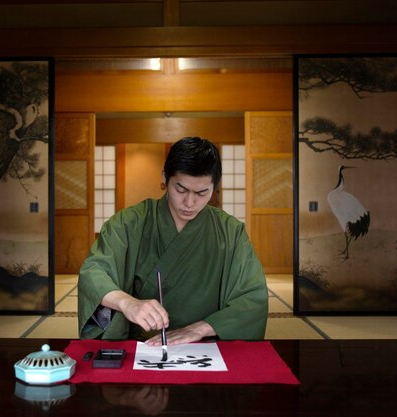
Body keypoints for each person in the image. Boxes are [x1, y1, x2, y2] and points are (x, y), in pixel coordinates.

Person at [78, 137, 268, 345]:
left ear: (214, 187)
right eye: (181, 190)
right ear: (165, 178)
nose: (189, 202)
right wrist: (127, 303)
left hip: (205, 344)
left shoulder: (231, 231)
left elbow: (252, 298)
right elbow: (93, 273)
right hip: (141, 346)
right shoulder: (127, 223)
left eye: (201, 192)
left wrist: (200, 329)